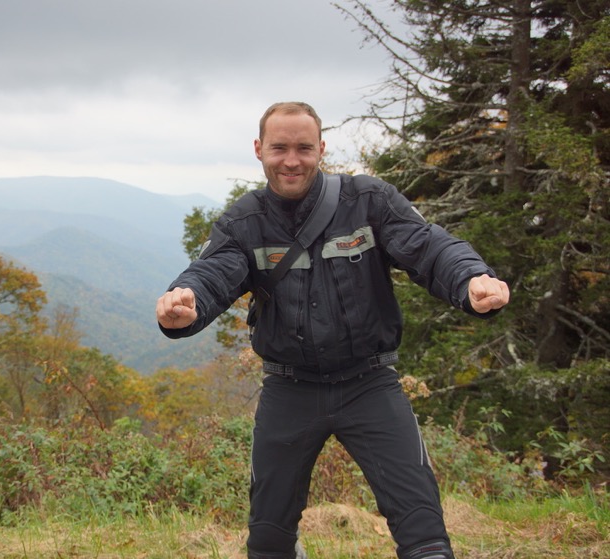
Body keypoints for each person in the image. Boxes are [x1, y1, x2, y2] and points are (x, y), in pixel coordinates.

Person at [155, 101, 509, 559]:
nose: (292, 160)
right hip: (290, 388)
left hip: (370, 383)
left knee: (425, 535)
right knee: (268, 540)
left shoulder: (369, 201)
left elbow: (429, 247)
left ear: (321, 148)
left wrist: (471, 279)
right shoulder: (244, 222)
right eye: (279, 147)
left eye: (304, 147)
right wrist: (186, 301)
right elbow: (214, 271)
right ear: (259, 149)